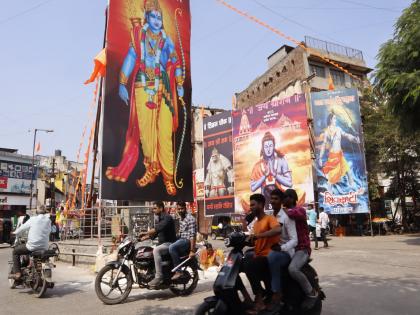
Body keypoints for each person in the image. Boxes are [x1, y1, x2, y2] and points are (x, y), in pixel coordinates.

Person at [105, 0, 185, 196]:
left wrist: (180, 84)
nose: (157, 20)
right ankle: (152, 168)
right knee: (147, 136)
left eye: (160, 17)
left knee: (165, 133)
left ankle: (168, 176)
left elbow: (176, 61)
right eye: (154, 17)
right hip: (143, 85)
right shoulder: (138, 35)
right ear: (147, 17)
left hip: (164, 87)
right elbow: (131, 57)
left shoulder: (166, 40)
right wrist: (123, 83)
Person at [244, 194, 281, 313]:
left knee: (250, 265)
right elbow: (257, 241)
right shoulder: (255, 223)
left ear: (261, 205)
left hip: (268, 256)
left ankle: (259, 298)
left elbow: (277, 229)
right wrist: (248, 241)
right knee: (243, 262)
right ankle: (259, 294)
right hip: (258, 255)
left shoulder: (269, 218)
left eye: (253, 205)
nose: (251, 208)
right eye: (250, 205)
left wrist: (258, 235)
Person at [282, 189, 318, 310]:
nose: (283, 200)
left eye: (285, 197)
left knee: (292, 269)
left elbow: (296, 214)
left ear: (292, 198)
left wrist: (285, 211)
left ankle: (311, 292)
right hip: (291, 248)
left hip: (302, 248)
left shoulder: (299, 210)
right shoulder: (284, 213)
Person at [266, 189, 298, 311]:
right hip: (272, 250)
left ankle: (277, 293)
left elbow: (294, 240)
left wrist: (281, 248)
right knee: (250, 257)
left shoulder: (287, 217)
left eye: (276, 199)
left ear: (281, 201)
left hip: (285, 252)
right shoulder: (269, 216)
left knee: (273, 257)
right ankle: (260, 293)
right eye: (272, 198)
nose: (273, 201)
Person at [318, 112, 360, 186]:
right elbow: (323, 145)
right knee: (330, 178)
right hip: (333, 157)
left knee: (349, 173)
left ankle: (353, 190)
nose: (335, 120)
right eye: (334, 118)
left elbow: (346, 135)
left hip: (340, 156)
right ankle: (329, 194)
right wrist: (320, 158)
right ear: (330, 119)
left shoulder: (338, 129)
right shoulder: (327, 131)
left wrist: (355, 139)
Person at [9, 206, 51, 279]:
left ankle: (18, 273)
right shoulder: (48, 220)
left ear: (36, 212)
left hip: (32, 246)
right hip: (44, 247)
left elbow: (22, 228)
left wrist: (14, 232)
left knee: (15, 252)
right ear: (45, 213)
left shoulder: (33, 219)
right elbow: (49, 231)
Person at [140, 201, 177, 286]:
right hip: (163, 244)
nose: (153, 210)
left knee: (156, 250)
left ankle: (158, 277)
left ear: (161, 208)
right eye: (153, 208)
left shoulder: (167, 217)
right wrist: (144, 238)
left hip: (169, 243)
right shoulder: (160, 218)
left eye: (155, 208)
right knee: (149, 251)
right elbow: (156, 233)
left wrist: (145, 233)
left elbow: (157, 228)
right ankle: (151, 272)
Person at [250, 131, 292, 204]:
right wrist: (264, 176)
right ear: (263, 148)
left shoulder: (281, 160)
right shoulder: (258, 165)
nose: (268, 149)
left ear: (273, 146)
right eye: (266, 146)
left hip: (279, 198)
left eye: (270, 146)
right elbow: (253, 188)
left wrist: (275, 174)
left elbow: (289, 183)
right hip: (264, 199)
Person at [169, 202, 197, 280]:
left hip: (187, 241)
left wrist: (192, 250)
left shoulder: (190, 219)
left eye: (182, 209)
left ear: (185, 208)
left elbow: (193, 235)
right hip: (181, 239)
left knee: (172, 247)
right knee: (167, 245)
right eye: (179, 209)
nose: (180, 210)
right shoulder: (181, 217)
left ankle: (178, 271)